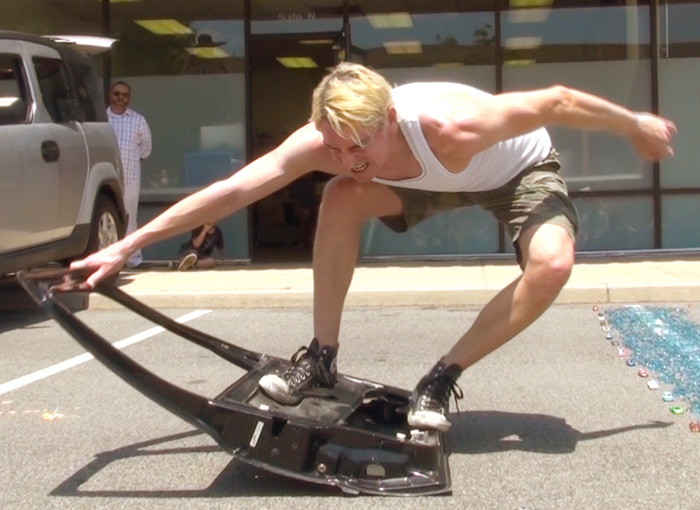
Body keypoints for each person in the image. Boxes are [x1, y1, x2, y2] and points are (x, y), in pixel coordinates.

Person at [74, 63, 676, 432]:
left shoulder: (456, 125)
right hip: (420, 182)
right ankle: (321, 357)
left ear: (391, 117)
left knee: (553, 264)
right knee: (340, 194)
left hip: (515, 174)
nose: (349, 158)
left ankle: (442, 377)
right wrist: (129, 244)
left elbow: (559, 100)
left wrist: (634, 126)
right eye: (336, 146)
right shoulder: (333, 143)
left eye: (360, 145)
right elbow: (233, 190)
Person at [107, 81, 153, 269]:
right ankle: (109, 260)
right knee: (107, 219)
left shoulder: (138, 120)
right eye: (117, 94)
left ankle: (133, 260)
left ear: (129, 98)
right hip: (106, 180)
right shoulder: (101, 119)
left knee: (130, 219)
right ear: (110, 95)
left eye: (125, 95)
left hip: (130, 177)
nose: (121, 98)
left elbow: (146, 149)